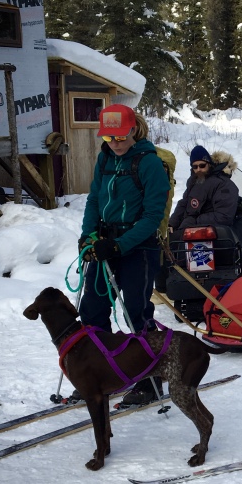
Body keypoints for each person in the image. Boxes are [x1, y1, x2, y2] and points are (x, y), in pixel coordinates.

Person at [77, 103, 170, 402]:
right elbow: (94, 199)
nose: (114, 143)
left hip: (138, 248)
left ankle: (150, 381)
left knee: (135, 312)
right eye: (108, 138)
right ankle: (103, 374)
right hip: (105, 245)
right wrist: (88, 235)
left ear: (132, 130)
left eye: (119, 136)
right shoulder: (104, 159)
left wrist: (120, 244)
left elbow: (152, 216)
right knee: (91, 310)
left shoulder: (149, 163)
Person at [168, 145, 241, 232]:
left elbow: (224, 216)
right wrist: (172, 223)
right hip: (188, 230)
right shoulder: (193, 181)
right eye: (195, 167)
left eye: (202, 165)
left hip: (210, 234)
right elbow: (184, 204)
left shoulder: (223, 184)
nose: (198, 169)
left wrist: (195, 221)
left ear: (209, 164)